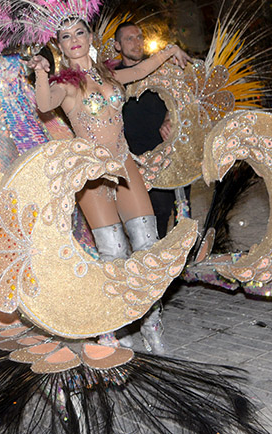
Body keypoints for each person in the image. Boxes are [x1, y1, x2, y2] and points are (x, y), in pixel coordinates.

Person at [27, 20, 190, 260]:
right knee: (114, 251)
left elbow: (140, 71)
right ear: (60, 46)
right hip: (92, 171)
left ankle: (149, 287)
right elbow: (44, 104)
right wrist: (41, 73)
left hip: (123, 161)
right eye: (66, 36)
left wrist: (170, 50)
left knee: (148, 242)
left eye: (79, 33)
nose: (74, 40)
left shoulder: (110, 76)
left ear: (90, 37)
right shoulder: (65, 85)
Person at [111, 22, 179, 239]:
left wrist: (169, 118)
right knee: (152, 214)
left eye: (139, 37)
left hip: (166, 151)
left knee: (179, 211)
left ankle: (179, 257)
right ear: (117, 45)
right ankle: (155, 257)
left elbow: (179, 99)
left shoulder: (161, 69)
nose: (136, 42)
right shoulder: (112, 78)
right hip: (135, 157)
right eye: (129, 38)